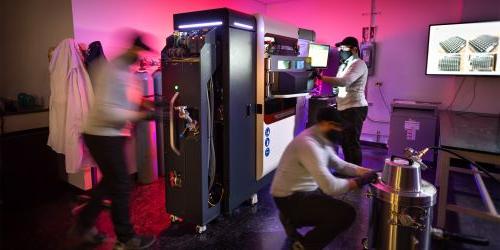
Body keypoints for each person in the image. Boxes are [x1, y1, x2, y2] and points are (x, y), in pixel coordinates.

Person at [71, 35, 157, 249]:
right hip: (102, 135)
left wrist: (146, 103)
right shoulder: (111, 71)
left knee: (110, 182)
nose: (141, 58)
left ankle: (84, 224)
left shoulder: (123, 71)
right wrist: (140, 116)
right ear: (132, 49)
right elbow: (107, 110)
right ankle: (126, 239)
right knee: (121, 184)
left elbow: (123, 99)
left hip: (110, 135)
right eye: (139, 52)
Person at [270, 107, 378, 250]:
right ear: (325, 123)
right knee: (345, 214)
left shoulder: (321, 137)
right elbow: (330, 187)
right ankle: (304, 245)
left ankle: (291, 219)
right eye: (336, 126)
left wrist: (366, 171)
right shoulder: (308, 143)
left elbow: (339, 164)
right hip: (288, 197)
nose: (339, 130)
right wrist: (360, 181)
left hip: (304, 191)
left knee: (327, 202)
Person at [315, 36, 368, 165]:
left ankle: (356, 174)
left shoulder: (359, 64)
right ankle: (349, 170)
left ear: (354, 50)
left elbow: (345, 81)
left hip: (354, 109)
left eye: (343, 48)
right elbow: (341, 84)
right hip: (344, 108)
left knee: (352, 143)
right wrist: (336, 90)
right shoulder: (345, 65)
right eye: (340, 48)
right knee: (345, 142)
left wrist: (321, 78)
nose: (340, 51)